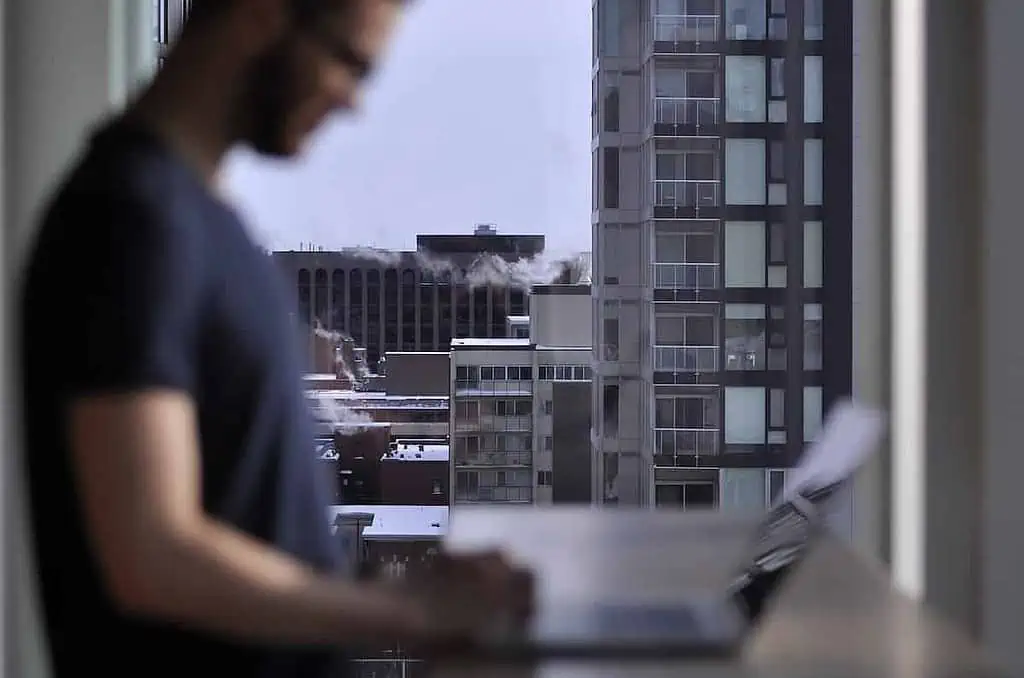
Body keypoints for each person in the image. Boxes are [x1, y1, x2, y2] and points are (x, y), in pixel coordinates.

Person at [17, 1, 531, 676]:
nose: (351, 104)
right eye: (347, 61)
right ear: (261, 15)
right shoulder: (131, 221)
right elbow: (151, 554)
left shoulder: (201, 223)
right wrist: (412, 610)